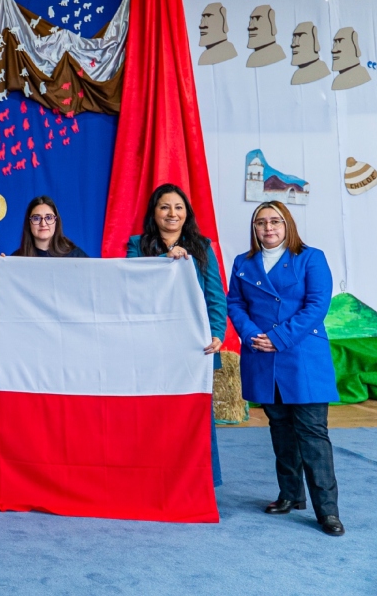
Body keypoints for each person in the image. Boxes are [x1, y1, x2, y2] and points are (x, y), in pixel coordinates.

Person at [227, 201, 343, 536]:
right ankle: (291, 495)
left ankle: (328, 512)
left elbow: (317, 305)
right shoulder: (243, 262)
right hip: (263, 356)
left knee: (312, 434)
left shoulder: (311, 257)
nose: (268, 228)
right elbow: (235, 303)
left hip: (302, 356)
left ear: (287, 224)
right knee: (280, 429)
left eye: (275, 221)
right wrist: (251, 335)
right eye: (261, 222)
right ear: (255, 229)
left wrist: (278, 337)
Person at [126, 183, 226, 487]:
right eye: (165, 207)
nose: (172, 213)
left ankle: (202, 481)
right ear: (154, 213)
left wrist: (218, 332)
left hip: (193, 346)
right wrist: (166, 258)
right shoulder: (137, 245)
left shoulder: (202, 246)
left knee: (194, 417)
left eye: (179, 207)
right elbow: (131, 285)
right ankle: (151, 478)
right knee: (152, 415)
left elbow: (215, 295)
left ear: (187, 213)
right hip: (151, 345)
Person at [10, 195, 88, 258]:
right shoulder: (17, 258)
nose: (43, 224)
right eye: (36, 218)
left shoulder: (76, 256)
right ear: (29, 223)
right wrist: (0, 265)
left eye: (49, 218)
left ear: (56, 222)